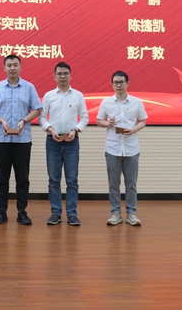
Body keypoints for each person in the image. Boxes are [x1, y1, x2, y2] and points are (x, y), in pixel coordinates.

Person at [0, 55, 42, 225]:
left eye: (15, 65)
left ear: (21, 67)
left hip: (22, 141)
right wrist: (1, 121)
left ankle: (22, 212)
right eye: (9, 65)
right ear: (4, 68)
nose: (12, 68)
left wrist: (24, 120)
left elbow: (37, 109)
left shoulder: (29, 87)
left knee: (22, 179)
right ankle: (1, 212)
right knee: (2, 178)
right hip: (0, 140)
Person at [39, 62, 88, 226]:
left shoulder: (78, 95)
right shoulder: (48, 96)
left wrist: (76, 130)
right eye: (59, 74)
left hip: (72, 142)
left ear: (71, 76)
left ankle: (72, 214)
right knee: (54, 180)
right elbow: (42, 118)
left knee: (72, 180)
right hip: (53, 141)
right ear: (54, 76)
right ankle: (56, 213)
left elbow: (85, 118)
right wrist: (50, 130)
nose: (62, 76)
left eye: (65, 73)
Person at [96, 71, 148, 226]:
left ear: (127, 83)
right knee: (114, 184)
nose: (119, 85)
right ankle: (115, 213)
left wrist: (134, 129)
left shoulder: (136, 102)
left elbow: (143, 121)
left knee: (131, 184)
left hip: (131, 148)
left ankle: (131, 214)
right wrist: (108, 124)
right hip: (113, 148)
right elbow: (99, 121)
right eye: (116, 83)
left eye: (121, 82)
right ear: (112, 84)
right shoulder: (106, 102)